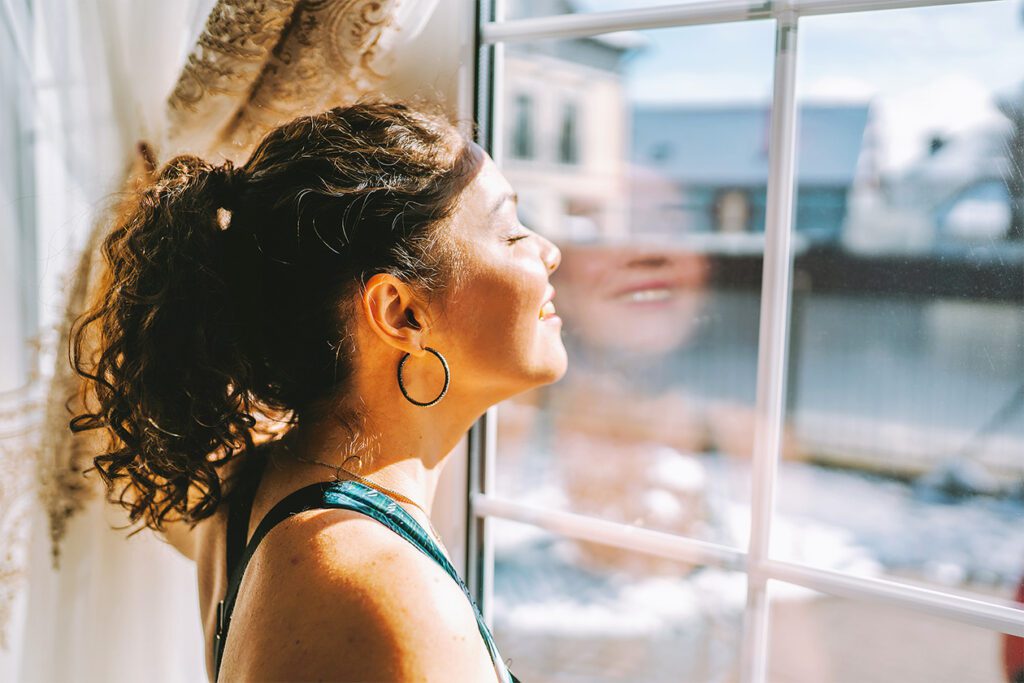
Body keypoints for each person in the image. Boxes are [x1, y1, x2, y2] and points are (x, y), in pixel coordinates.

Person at [69, 99, 563, 682]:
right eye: (511, 234)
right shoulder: (382, 595)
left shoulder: (247, 489)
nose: (549, 251)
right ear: (401, 313)